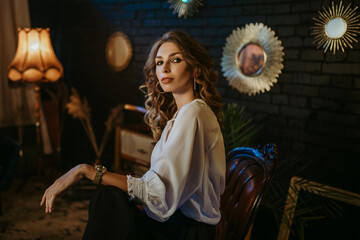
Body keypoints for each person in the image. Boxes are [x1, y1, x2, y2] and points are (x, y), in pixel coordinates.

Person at [40, 30, 226, 240]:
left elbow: (161, 196)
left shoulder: (194, 113)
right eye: (158, 62)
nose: (164, 68)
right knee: (110, 198)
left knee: (108, 198)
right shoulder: (182, 115)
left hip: (187, 232)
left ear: (196, 70)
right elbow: (157, 186)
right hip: (175, 223)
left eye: (175, 60)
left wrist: (87, 171)